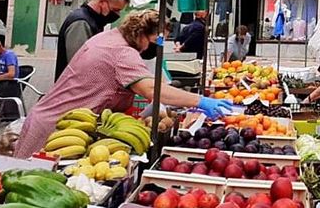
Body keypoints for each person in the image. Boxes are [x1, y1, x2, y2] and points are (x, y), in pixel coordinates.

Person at [15, 10, 232, 158]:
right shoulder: (122, 52)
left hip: (49, 117)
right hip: (58, 130)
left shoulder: (109, 37)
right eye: (156, 40)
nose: (156, 47)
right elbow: (150, 89)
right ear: (141, 34)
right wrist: (200, 100)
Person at [54, 0, 128, 80]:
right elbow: (80, 67)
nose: (118, 15)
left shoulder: (93, 21)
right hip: (74, 92)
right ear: (102, 2)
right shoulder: (81, 23)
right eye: (115, 10)